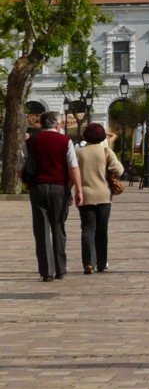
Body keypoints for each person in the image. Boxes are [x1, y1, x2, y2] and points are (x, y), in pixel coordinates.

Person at [25, 111, 84, 282]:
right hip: (59, 188)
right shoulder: (65, 141)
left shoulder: (30, 142)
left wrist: (29, 185)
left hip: (38, 188)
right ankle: (60, 268)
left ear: (42, 124)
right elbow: (73, 167)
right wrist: (78, 190)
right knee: (58, 227)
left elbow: (22, 167)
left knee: (41, 230)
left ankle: (46, 271)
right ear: (57, 125)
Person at [76, 122, 123, 274]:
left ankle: (88, 263)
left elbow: (72, 172)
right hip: (104, 196)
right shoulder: (106, 151)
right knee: (102, 230)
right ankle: (102, 262)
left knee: (87, 229)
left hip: (85, 196)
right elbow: (119, 170)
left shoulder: (79, 152)